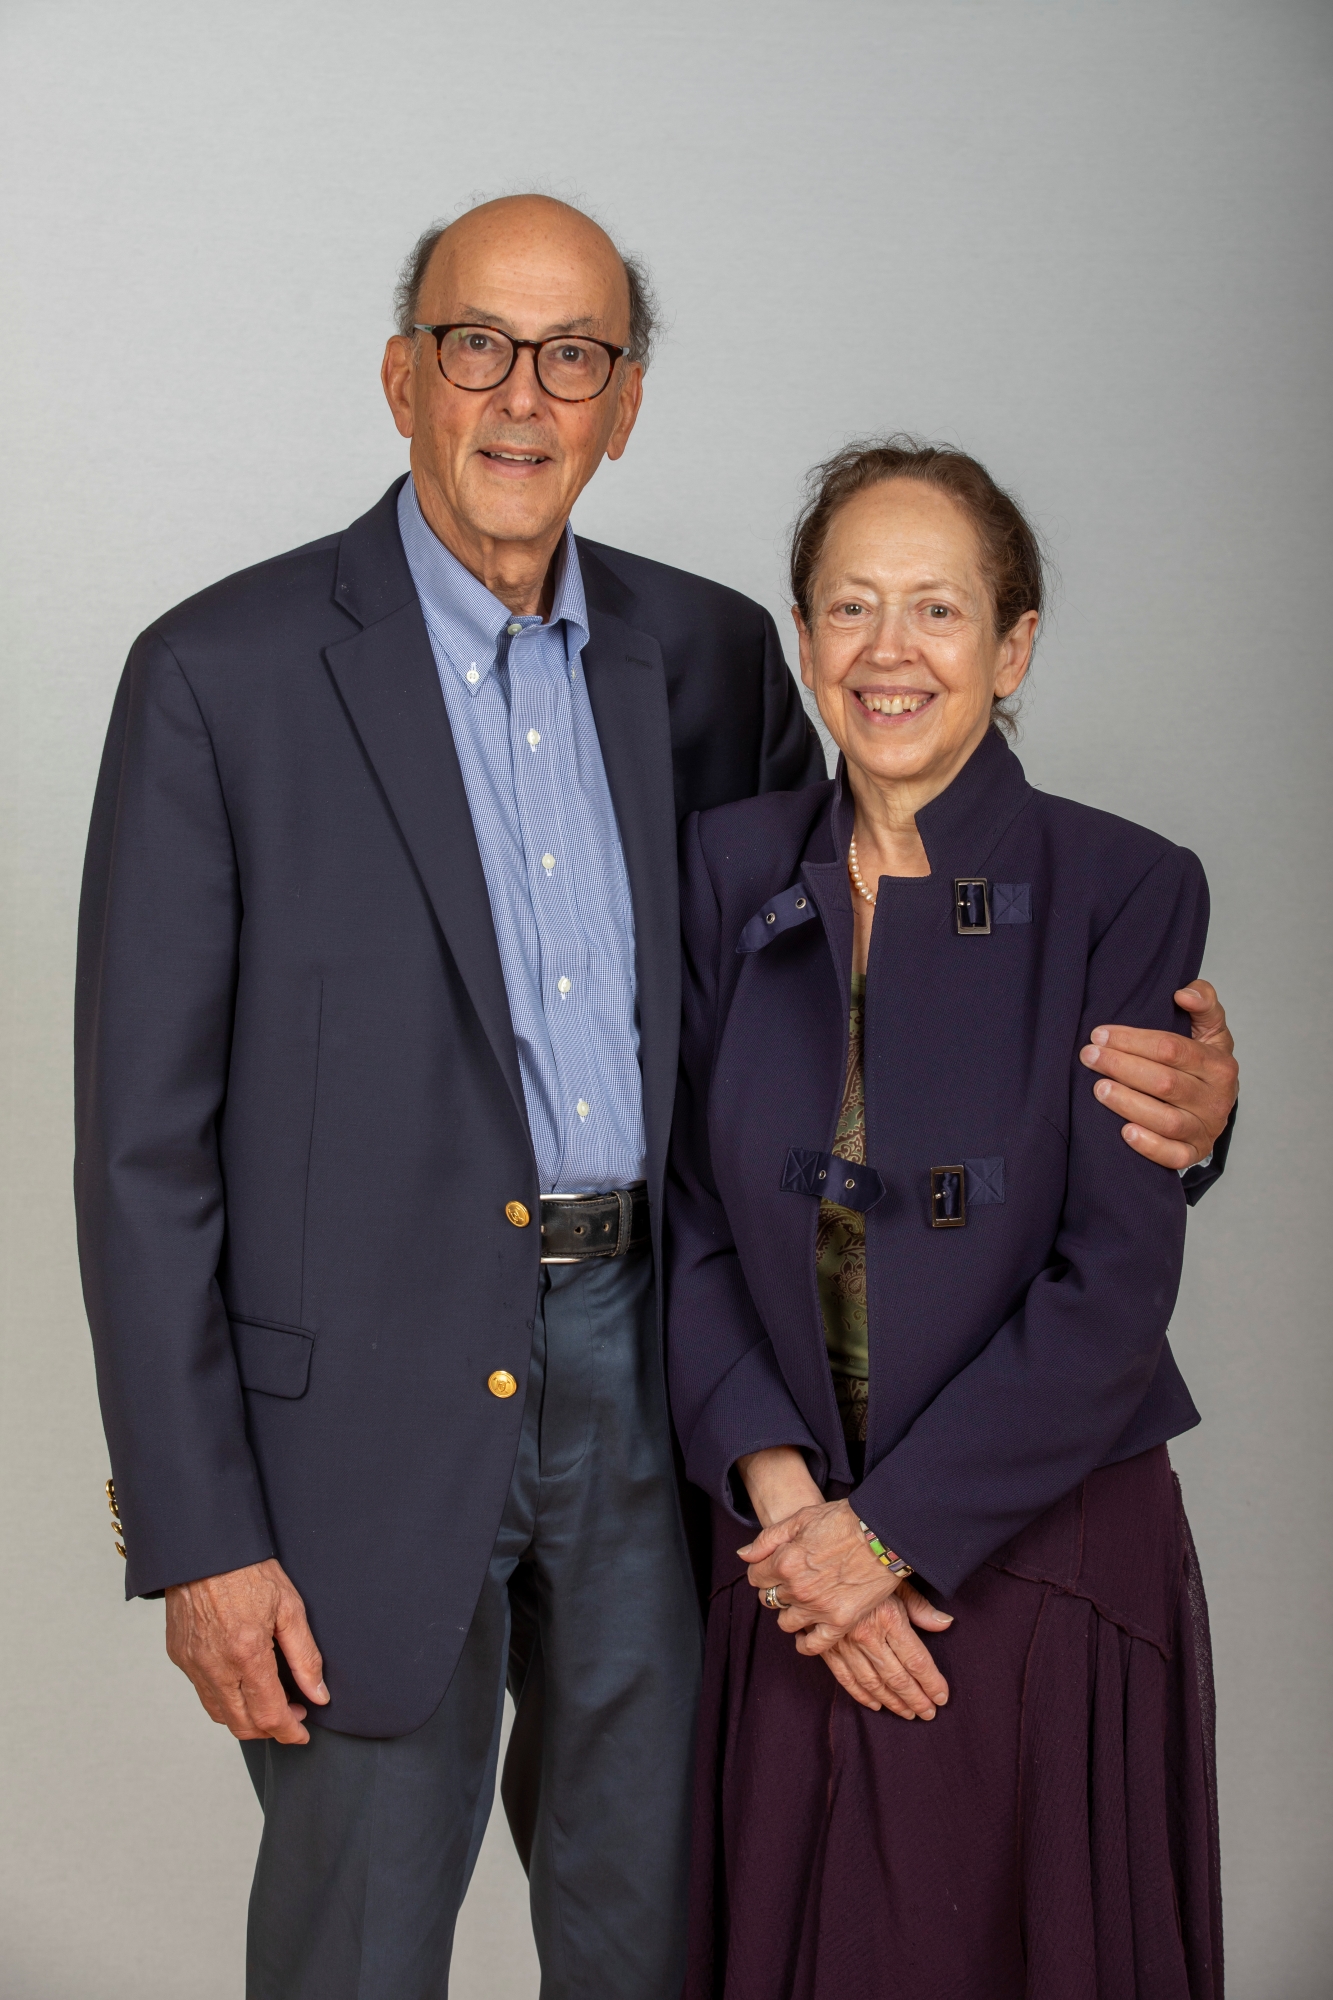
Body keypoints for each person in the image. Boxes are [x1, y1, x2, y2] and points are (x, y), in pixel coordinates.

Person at [73, 196, 1237, 2000]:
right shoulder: (216, 683)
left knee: (659, 1934)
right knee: (357, 1945)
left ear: (627, 407)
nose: (523, 394)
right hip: (362, 1424)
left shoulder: (705, 666)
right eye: (477, 343)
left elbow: (868, 1023)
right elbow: (139, 1154)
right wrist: (198, 1533)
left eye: (577, 355)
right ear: (402, 376)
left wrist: (1178, 1107)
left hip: (664, 1380)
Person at [667, 440, 1228, 1999]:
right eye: (850, 608)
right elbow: (695, 1223)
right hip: (780, 1558)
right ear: (802, 642)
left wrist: (893, 1540)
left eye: (935, 609)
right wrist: (797, 1525)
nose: (888, 652)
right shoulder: (721, 871)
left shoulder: (1124, 885)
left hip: (1033, 1555)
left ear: (1013, 643)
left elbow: (1110, 1281)